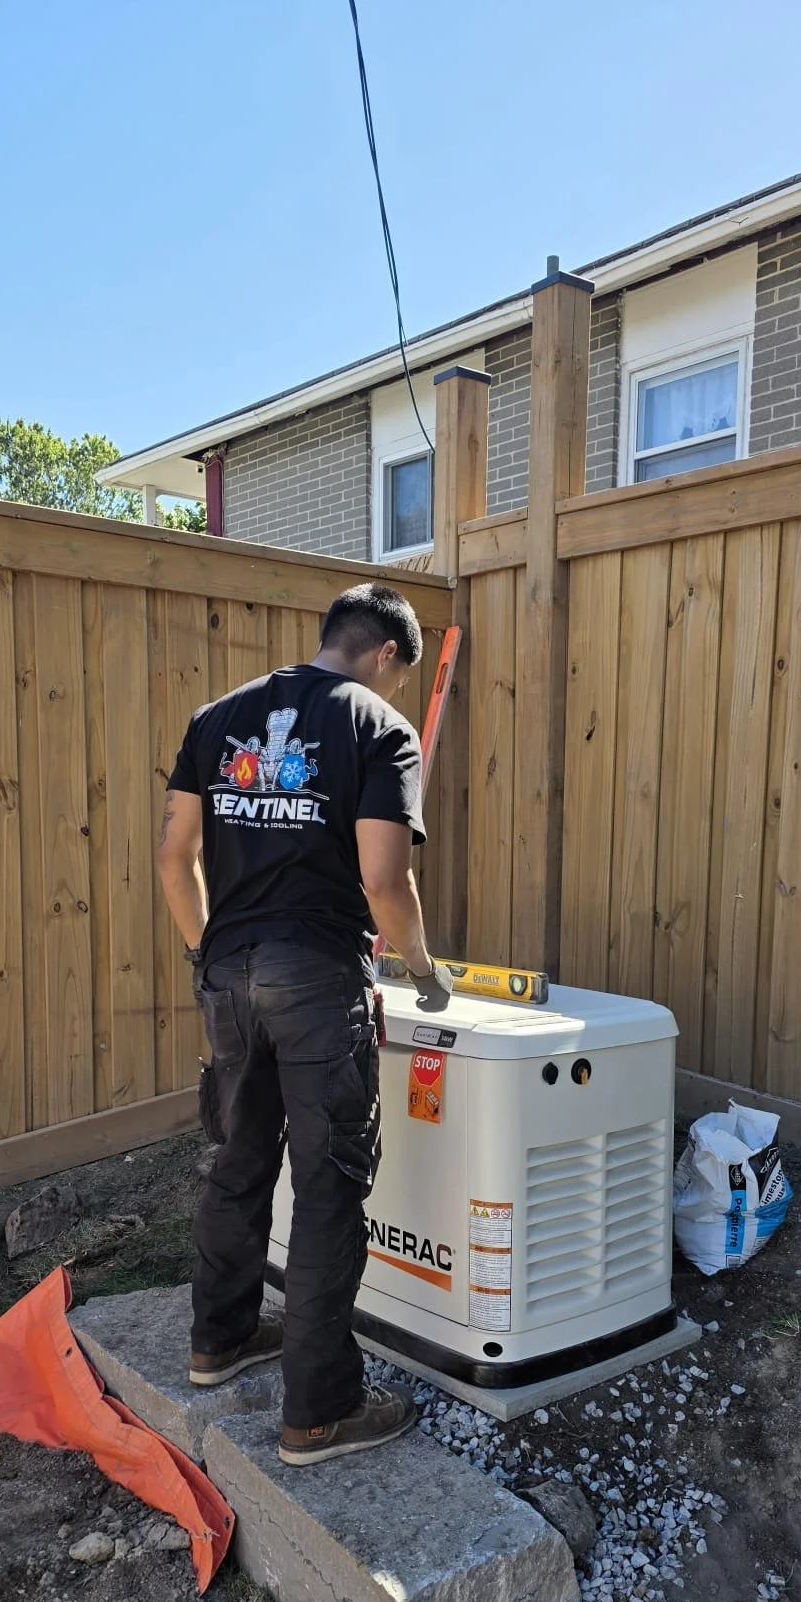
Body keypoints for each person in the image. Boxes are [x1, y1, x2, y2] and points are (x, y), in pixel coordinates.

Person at [156, 582, 451, 1466]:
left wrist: (206, 954)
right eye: (402, 672)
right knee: (327, 1188)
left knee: (237, 1159)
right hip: (318, 979)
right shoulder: (379, 727)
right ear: (390, 655)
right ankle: (319, 1413)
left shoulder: (220, 717)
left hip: (229, 977)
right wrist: (423, 971)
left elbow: (174, 856)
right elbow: (386, 881)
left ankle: (219, 1342)